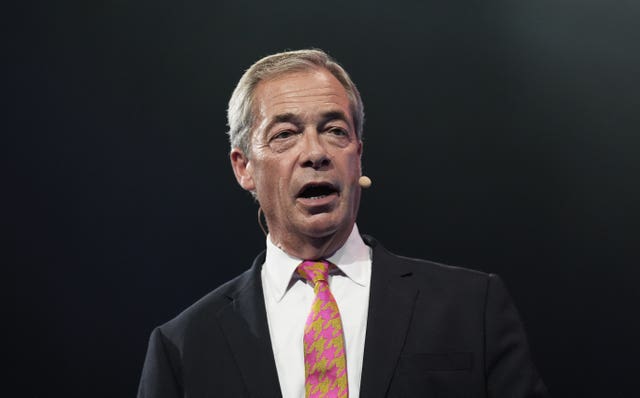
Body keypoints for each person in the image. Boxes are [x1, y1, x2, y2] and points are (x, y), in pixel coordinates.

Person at [138, 49, 548, 397]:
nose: (315, 152)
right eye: (285, 134)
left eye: (335, 131)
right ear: (243, 167)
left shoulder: (472, 307)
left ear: (358, 156)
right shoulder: (183, 346)